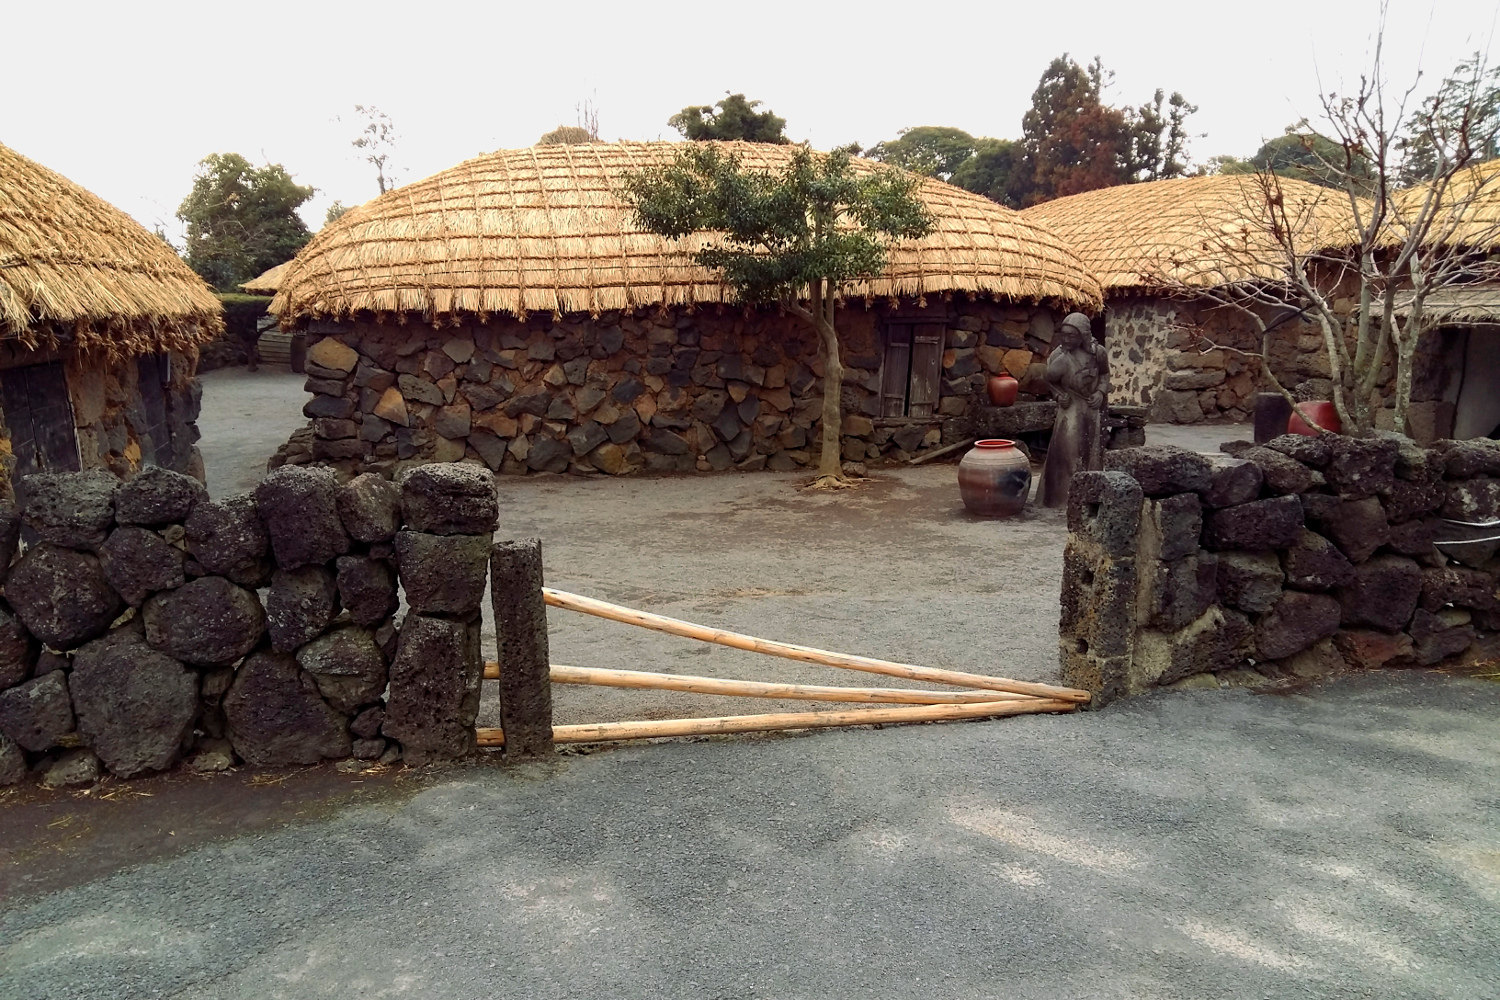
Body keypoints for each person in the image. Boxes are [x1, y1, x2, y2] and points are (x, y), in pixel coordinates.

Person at [1038, 312, 1108, 507]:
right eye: (1064, 335)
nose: (1067, 339)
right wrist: (1059, 396)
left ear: (1083, 335)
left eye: (1072, 336)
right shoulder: (1058, 357)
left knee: (1092, 455)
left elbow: (1104, 374)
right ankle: (1060, 498)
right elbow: (1050, 381)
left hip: (1092, 410)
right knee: (1067, 453)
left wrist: (1101, 393)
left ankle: (1089, 499)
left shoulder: (1098, 353)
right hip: (1070, 410)